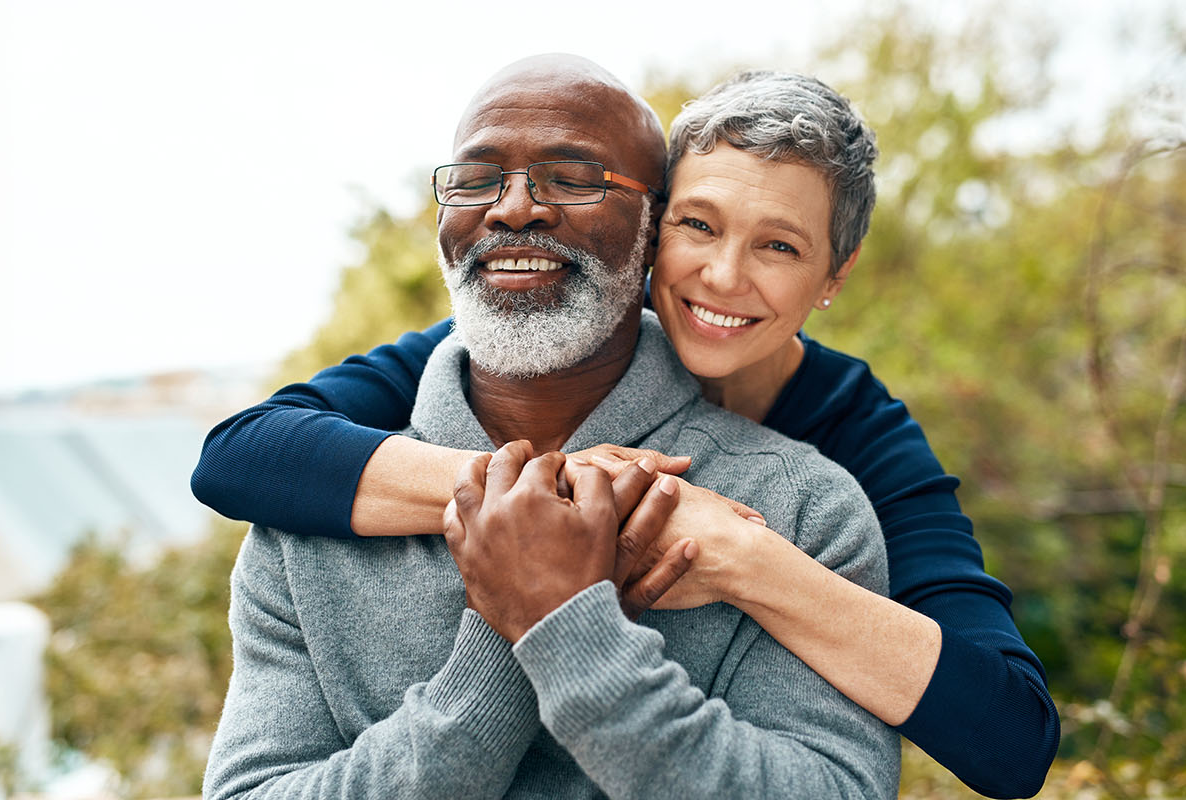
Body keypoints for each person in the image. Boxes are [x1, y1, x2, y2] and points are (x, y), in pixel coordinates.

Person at [193, 69, 1057, 798]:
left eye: (781, 247)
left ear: (835, 274)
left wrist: (745, 563)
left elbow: (1007, 738)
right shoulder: (336, 486)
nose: (722, 274)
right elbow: (241, 452)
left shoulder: (838, 474)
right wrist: (538, 514)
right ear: (657, 239)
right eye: (700, 225)